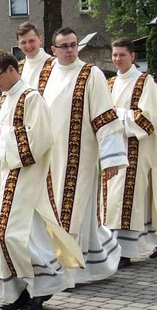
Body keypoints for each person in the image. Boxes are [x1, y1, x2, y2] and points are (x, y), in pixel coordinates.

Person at [0, 50, 84, 310]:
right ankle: (21, 292)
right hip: (5, 176)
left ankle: (44, 283)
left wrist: (6, 138)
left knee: (14, 234)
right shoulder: (5, 98)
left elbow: (40, 139)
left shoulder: (31, 98)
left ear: (11, 70)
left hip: (26, 176)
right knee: (8, 235)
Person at [24, 27, 127, 284]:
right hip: (48, 156)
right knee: (49, 210)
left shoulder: (90, 74)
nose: (69, 50)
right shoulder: (45, 73)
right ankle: (76, 264)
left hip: (78, 157)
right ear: (54, 49)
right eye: (64, 46)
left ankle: (68, 268)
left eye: (73, 45)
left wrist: (111, 158)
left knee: (73, 210)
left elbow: (105, 117)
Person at [104, 38, 157, 268]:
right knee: (112, 201)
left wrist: (118, 116)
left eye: (122, 55)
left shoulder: (145, 82)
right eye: (114, 55)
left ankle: (125, 251)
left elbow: (150, 118)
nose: (117, 59)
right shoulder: (110, 83)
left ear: (132, 56)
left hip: (135, 148)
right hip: (111, 150)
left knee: (127, 200)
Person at [15, 21, 54, 86]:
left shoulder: (53, 64)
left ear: (40, 40)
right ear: (18, 44)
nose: (28, 46)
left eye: (31, 41)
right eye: (23, 42)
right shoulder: (17, 68)